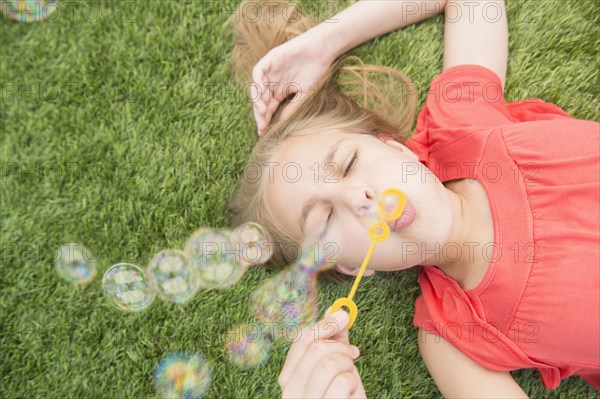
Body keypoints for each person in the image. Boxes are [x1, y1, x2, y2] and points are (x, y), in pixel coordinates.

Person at [227, 0, 600, 397]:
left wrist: (325, 41)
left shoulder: (461, 126)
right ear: (353, 268)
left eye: (349, 163)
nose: (358, 197)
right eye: (325, 221)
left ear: (399, 150)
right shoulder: (452, 340)